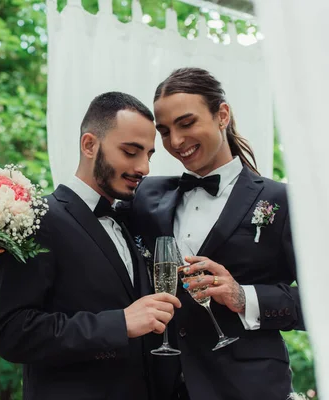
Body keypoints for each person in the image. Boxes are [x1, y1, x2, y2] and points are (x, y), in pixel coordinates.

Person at [0, 92, 181, 400]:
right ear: (89, 145)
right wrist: (119, 323)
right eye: (131, 152)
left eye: (149, 155)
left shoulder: (128, 219)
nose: (144, 167)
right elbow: (13, 333)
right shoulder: (36, 217)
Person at [129, 67, 304, 400]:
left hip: (250, 387)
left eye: (186, 123)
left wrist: (244, 297)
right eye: (164, 131)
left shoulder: (281, 201)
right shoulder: (146, 195)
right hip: (164, 386)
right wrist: (11, 221)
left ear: (222, 114)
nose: (176, 142)